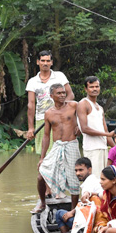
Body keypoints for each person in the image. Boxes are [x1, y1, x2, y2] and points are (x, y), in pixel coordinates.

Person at [35, 84, 81, 213]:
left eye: (63, 93)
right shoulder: (49, 113)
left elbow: (85, 117)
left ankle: (73, 210)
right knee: (41, 175)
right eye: (59, 93)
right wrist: (42, 157)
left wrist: (80, 127)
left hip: (71, 144)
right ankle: (43, 203)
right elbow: (45, 136)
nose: (62, 95)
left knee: (73, 178)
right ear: (51, 96)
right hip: (57, 146)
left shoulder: (74, 105)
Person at [26, 50, 74, 154]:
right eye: (43, 61)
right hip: (41, 119)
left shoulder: (60, 76)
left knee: (60, 150)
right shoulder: (32, 81)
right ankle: (42, 169)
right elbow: (31, 104)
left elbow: (70, 95)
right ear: (38, 62)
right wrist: (31, 128)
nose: (45, 63)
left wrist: (61, 109)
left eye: (48, 61)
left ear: (51, 62)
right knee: (43, 151)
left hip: (60, 118)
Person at [52, 157, 103, 233]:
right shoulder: (95, 180)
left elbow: (85, 206)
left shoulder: (88, 185)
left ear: (89, 170)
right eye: (76, 170)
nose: (77, 173)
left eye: (80, 170)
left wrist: (71, 213)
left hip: (88, 223)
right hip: (96, 219)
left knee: (59, 213)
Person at [77, 76, 114, 177]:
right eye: (91, 87)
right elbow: (84, 129)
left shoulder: (100, 107)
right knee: (94, 179)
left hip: (103, 147)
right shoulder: (83, 104)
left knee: (104, 179)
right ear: (86, 89)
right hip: (92, 149)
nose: (94, 89)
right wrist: (105, 134)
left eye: (97, 86)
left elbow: (105, 131)